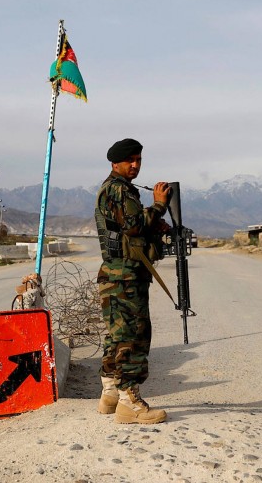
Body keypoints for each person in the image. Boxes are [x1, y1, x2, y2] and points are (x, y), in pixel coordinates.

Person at [94, 138, 171, 424]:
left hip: (119, 274)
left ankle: (111, 393)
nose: (136, 165)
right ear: (116, 163)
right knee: (134, 337)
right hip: (124, 276)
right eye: (130, 161)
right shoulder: (118, 190)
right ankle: (130, 402)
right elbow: (135, 225)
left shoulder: (117, 189)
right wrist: (159, 207)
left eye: (139, 160)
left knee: (117, 335)